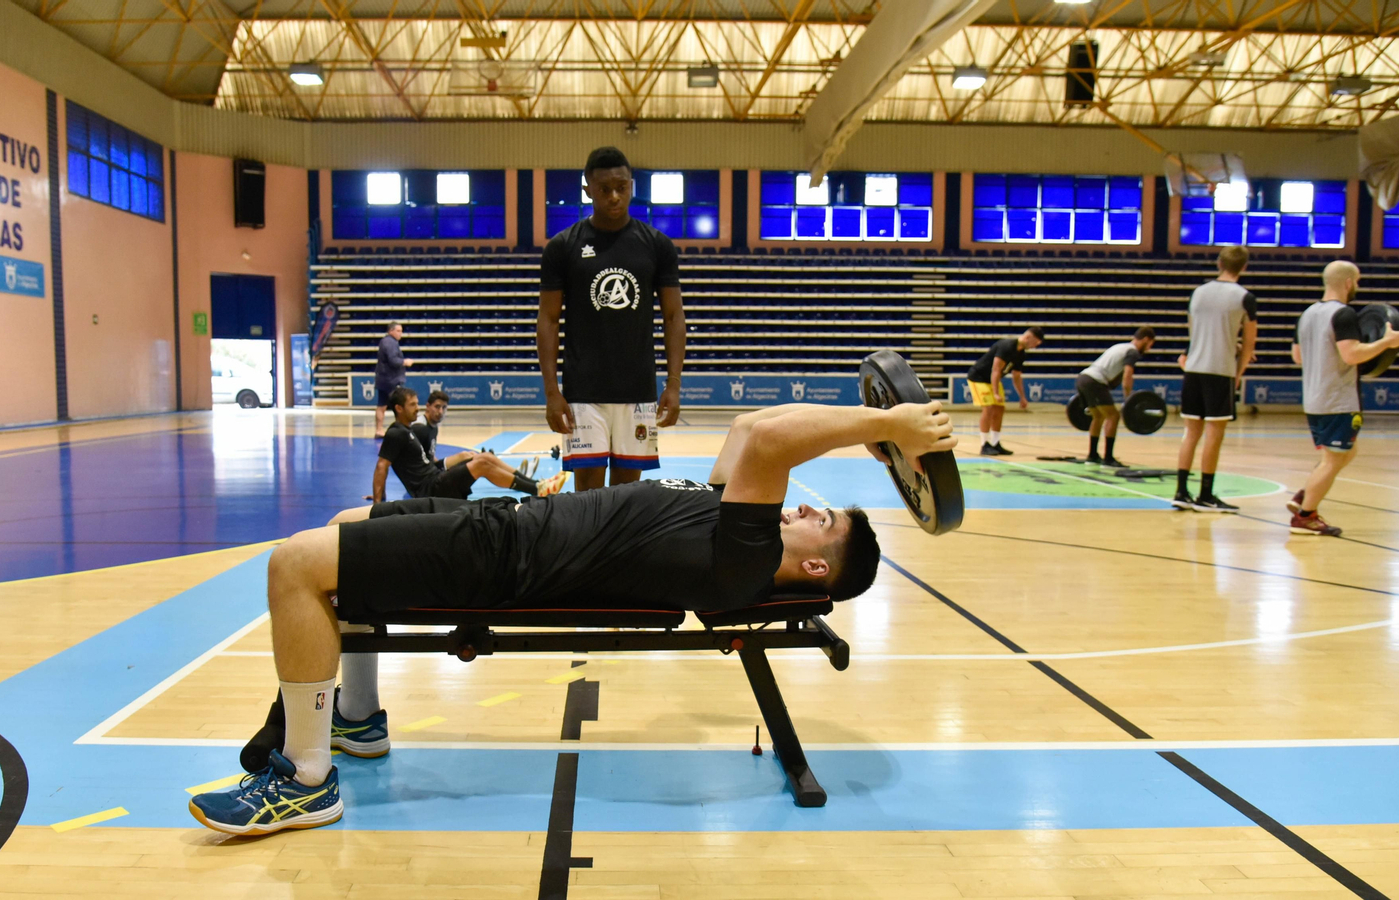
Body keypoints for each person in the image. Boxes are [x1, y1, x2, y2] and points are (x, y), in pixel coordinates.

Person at [187, 399, 957, 835]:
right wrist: (889, 421)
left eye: (823, 520)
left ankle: (309, 778)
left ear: (816, 567)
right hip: (511, 528)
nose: (807, 507)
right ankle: (355, 719)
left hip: (508, 561)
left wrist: (887, 429)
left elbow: (779, 445)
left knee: (295, 563)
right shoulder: (731, 511)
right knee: (345, 521)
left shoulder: (746, 560)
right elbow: (757, 429)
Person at [538, 146, 686, 491]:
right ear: (588, 189)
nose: (615, 197)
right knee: (588, 497)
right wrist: (551, 392)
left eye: (622, 187)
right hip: (582, 393)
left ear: (632, 185)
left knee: (626, 496)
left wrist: (674, 385)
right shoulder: (563, 247)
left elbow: (674, 314)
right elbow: (547, 320)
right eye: (605, 189)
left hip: (638, 391)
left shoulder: (657, 245)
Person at [1287, 261, 1399, 536]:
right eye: (1359, 281)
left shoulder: (1307, 314)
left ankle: (1304, 496)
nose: (1358, 286)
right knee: (1334, 459)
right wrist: (1386, 343)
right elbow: (1352, 355)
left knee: (1345, 453)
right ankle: (1306, 516)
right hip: (1337, 400)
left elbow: (1297, 357)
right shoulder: (1343, 315)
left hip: (1314, 398)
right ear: (1349, 282)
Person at [1174, 245, 1258, 513]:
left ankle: (1180, 491)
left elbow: (1195, 332)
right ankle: (1206, 495)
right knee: (1214, 435)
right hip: (1219, 370)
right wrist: (1239, 372)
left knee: (1191, 433)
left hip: (1194, 368)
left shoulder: (1198, 293)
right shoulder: (1245, 297)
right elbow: (1248, 347)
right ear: (1244, 267)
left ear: (1219, 263)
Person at [374, 387, 565, 503]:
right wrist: (377, 501)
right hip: (430, 488)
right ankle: (538, 490)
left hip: (434, 478)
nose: (417, 408)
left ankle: (539, 484)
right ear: (399, 408)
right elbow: (382, 466)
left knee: (484, 457)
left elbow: (424, 463)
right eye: (412, 405)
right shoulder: (397, 433)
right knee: (481, 465)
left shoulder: (406, 431)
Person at [1075, 326, 1157, 467]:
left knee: (1098, 416)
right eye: (1150, 344)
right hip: (1095, 381)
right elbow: (1127, 375)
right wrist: (1128, 398)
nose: (1149, 348)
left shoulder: (1121, 346)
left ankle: (1092, 455)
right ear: (1145, 339)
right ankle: (1108, 458)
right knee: (1113, 416)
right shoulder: (1132, 352)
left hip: (1083, 378)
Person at [966, 327, 1045, 456]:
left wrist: (1022, 397)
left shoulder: (1021, 354)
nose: (1035, 346)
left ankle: (996, 443)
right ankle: (984, 444)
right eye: (1035, 343)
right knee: (989, 408)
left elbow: (1017, 376)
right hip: (979, 378)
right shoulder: (1007, 346)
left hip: (993, 380)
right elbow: (996, 370)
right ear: (1028, 337)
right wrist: (996, 393)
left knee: (999, 409)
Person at [373, 323, 412, 439]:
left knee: (381, 406)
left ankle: (379, 430)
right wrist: (405, 362)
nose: (401, 334)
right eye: (398, 331)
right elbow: (393, 360)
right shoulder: (390, 343)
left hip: (383, 379)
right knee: (400, 404)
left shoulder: (385, 342)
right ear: (391, 331)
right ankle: (401, 429)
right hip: (392, 380)